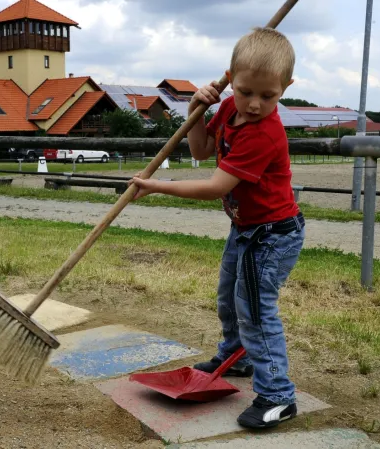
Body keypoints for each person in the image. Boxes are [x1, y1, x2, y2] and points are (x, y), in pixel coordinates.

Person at [130, 27, 304, 430]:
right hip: (245, 227)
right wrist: (196, 109)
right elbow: (201, 151)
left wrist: (155, 186)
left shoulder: (265, 133)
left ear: (286, 88)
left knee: (256, 311)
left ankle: (278, 395)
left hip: (273, 235)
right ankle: (237, 357)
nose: (255, 104)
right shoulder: (228, 109)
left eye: (269, 96)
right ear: (230, 78)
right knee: (229, 299)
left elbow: (214, 187)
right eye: (245, 92)